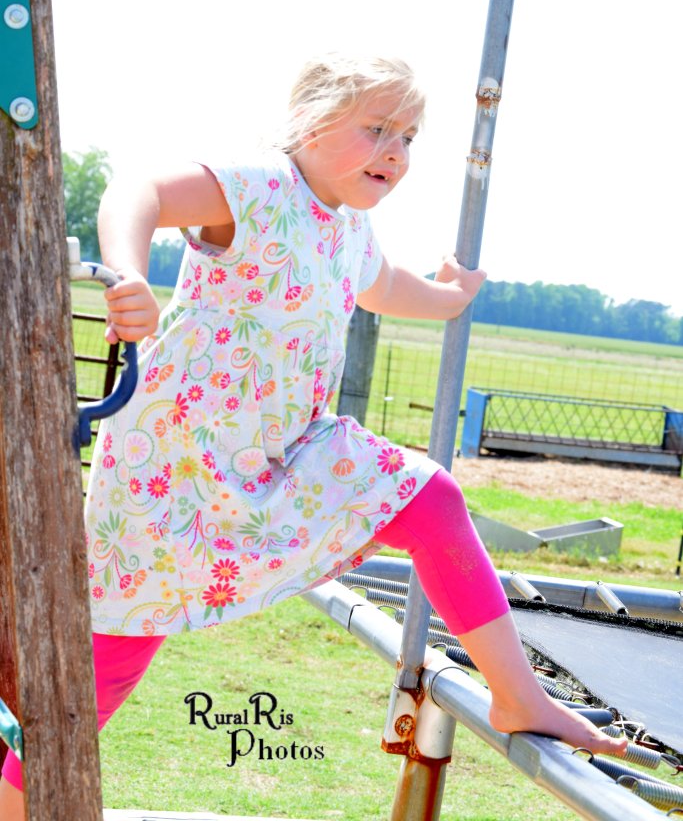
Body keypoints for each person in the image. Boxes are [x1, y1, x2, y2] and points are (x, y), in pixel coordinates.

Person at [0, 53, 625, 817]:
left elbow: (389, 289)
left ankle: (515, 694)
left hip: (286, 456)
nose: (395, 152)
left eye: (407, 136)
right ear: (313, 123)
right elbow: (142, 188)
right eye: (376, 129)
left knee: (431, 498)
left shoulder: (349, 231)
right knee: (88, 689)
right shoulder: (260, 188)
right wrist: (131, 276)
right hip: (174, 469)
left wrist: (449, 297)